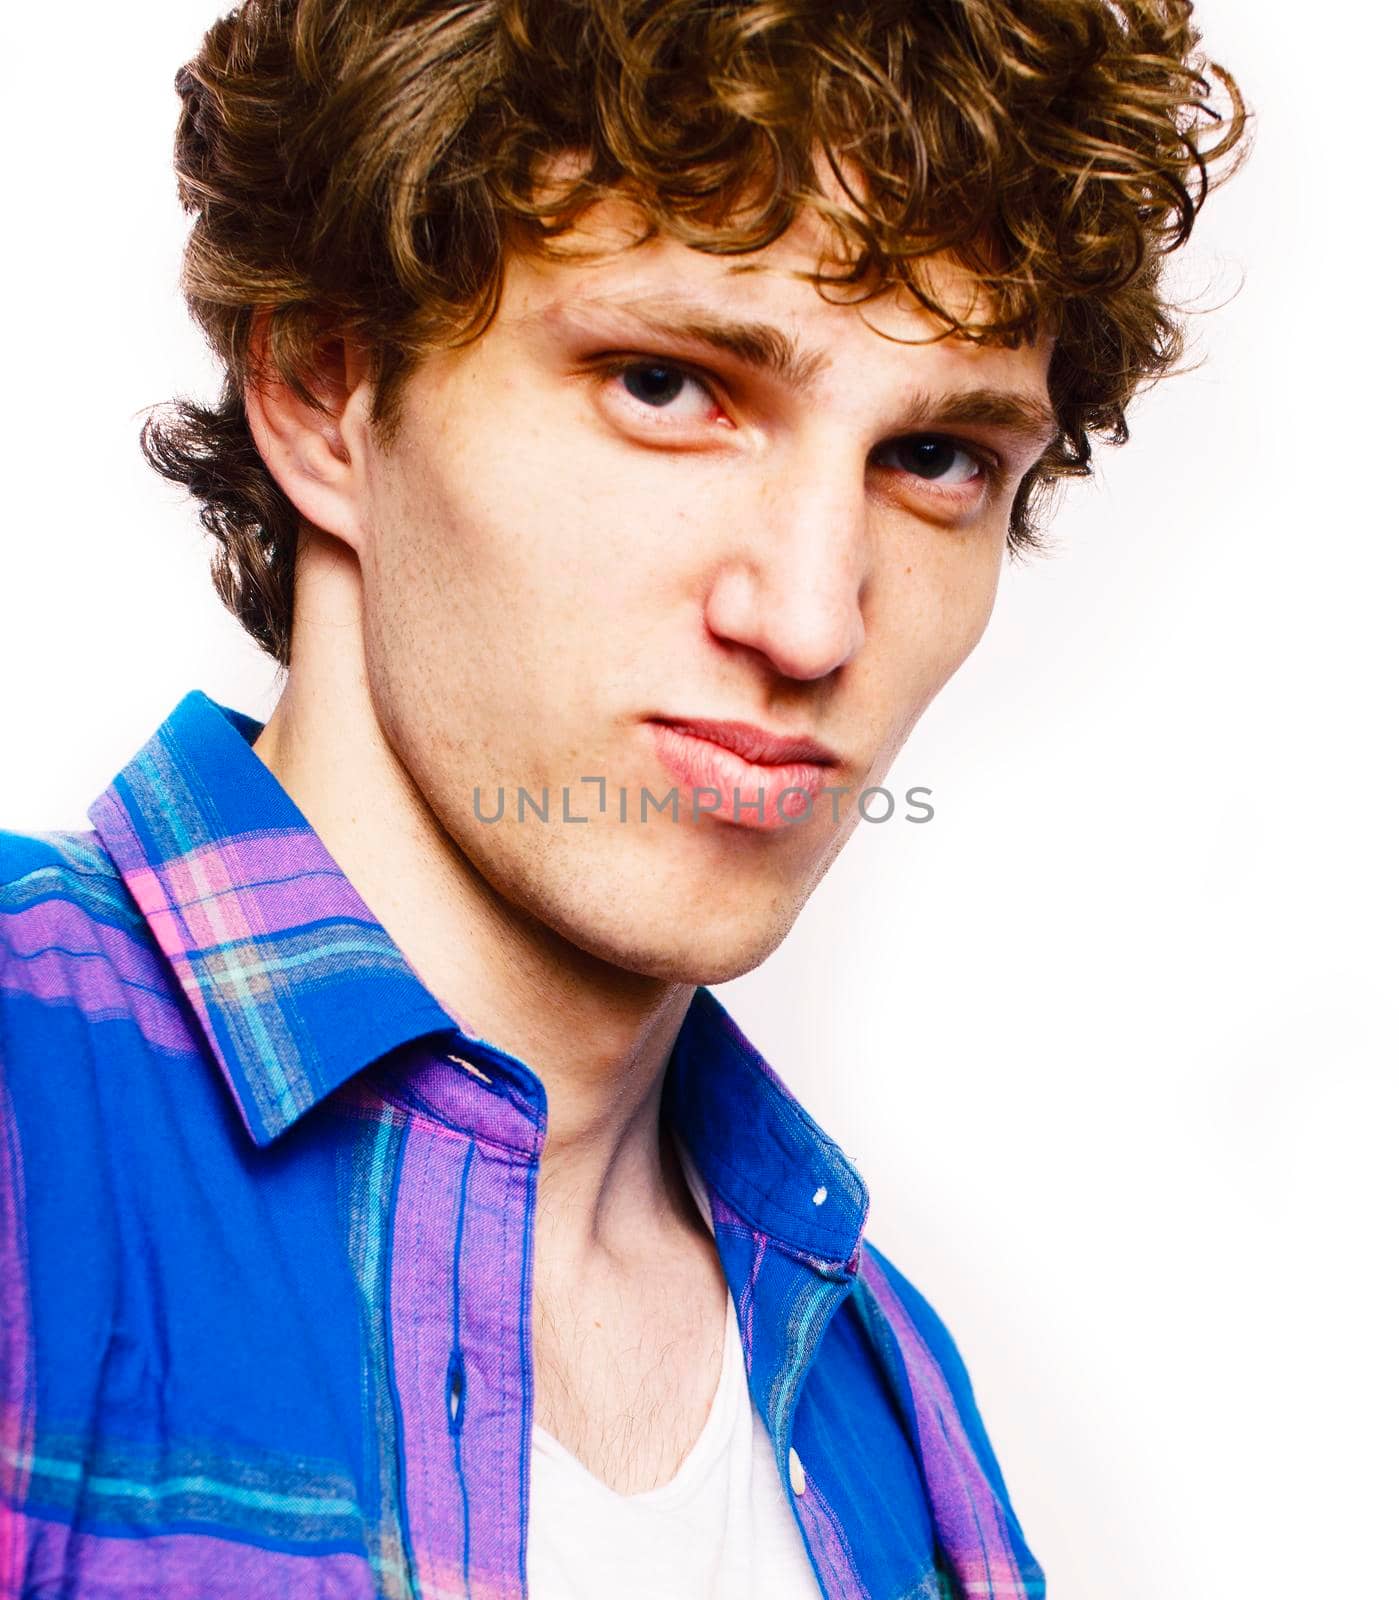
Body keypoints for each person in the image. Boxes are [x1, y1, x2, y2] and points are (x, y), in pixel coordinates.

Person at [0, 2, 1249, 1596]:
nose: (811, 618)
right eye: (666, 383)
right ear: (327, 393)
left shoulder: (879, 1391)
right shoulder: (29, 1090)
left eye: (933, 456)